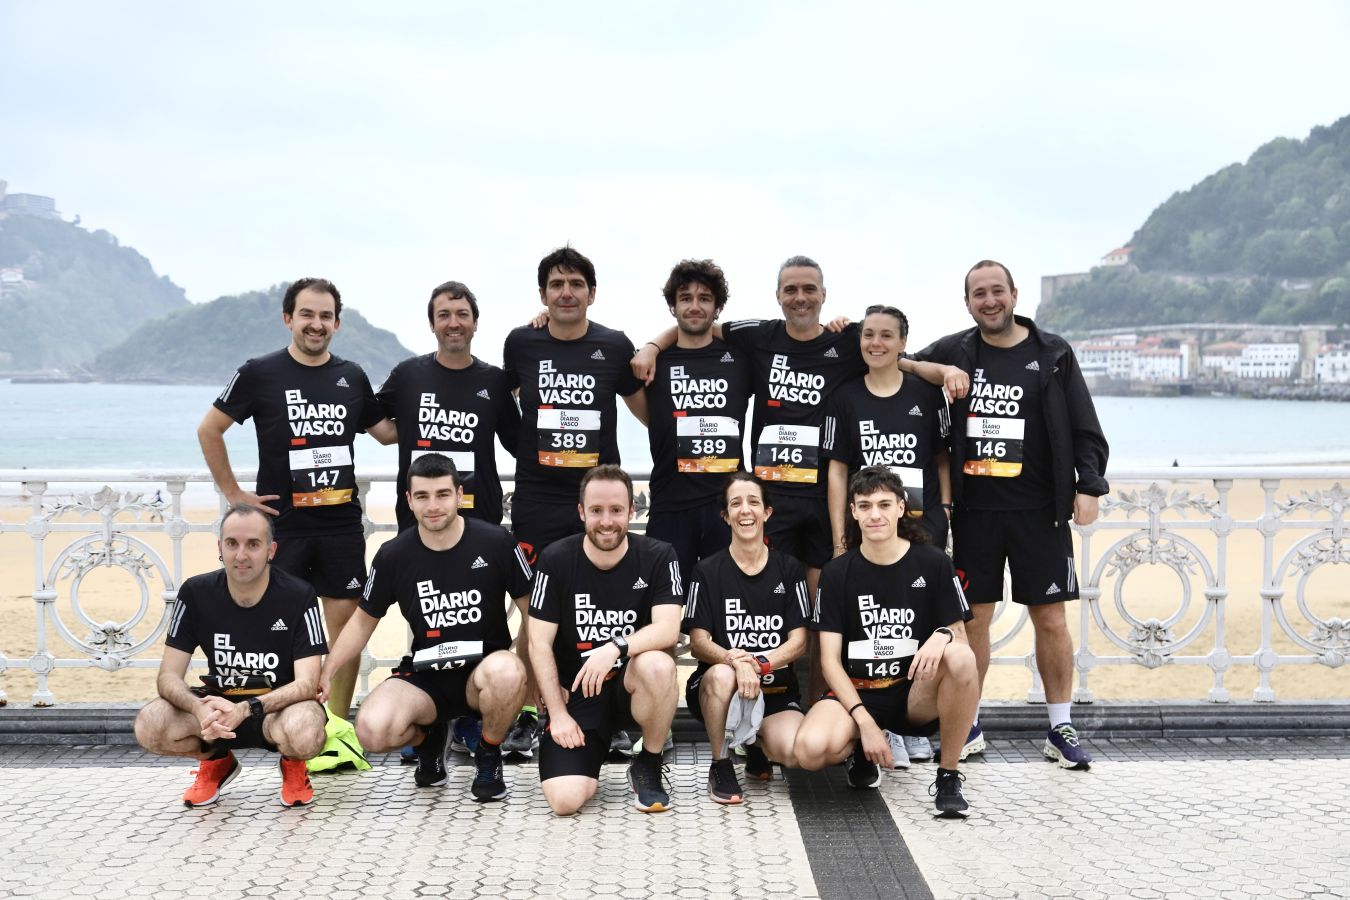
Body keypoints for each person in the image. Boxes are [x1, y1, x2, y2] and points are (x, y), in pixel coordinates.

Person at [910, 259, 1109, 769]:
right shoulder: (956, 350)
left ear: (1015, 295)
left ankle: (1060, 726)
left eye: (997, 291)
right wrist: (941, 372)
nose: (989, 301)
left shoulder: (1052, 353)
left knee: (1051, 620)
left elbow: (1085, 425)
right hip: (974, 513)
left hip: (1039, 511)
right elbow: (898, 361)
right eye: (979, 294)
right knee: (974, 621)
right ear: (967, 303)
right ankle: (968, 724)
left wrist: (1089, 485)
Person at [197, 277, 395, 724]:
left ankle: (335, 727)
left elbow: (386, 433)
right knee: (278, 629)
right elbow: (209, 429)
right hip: (282, 524)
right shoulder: (259, 372)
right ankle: (281, 725)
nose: (316, 324)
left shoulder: (351, 376)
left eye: (325, 316)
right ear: (288, 319)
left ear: (337, 323)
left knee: (343, 632)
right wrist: (234, 495)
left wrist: (439, 397)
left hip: (340, 525)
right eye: (307, 314)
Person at [634, 256, 860, 597]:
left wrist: (941, 372)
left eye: (809, 289)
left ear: (824, 295)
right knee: (683, 602)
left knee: (792, 602)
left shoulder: (834, 344)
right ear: (777, 295)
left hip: (781, 498)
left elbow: (889, 355)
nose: (800, 297)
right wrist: (652, 346)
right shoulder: (752, 340)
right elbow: (693, 329)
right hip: (708, 500)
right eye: (791, 289)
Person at [318, 453, 534, 800]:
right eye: (422, 496)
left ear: (459, 495)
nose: (433, 506)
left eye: (442, 494)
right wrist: (327, 671)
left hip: (484, 674)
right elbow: (360, 623)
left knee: (507, 672)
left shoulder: (496, 542)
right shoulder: (393, 555)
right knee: (372, 730)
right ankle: (429, 739)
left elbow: (534, 615)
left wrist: (546, 677)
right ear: (409, 500)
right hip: (426, 677)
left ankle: (488, 753)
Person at [505, 246, 649, 755]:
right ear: (542, 294)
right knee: (535, 613)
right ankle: (529, 712)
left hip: (599, 501)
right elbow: (505, 407)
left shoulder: (613, 345)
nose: (566, 293)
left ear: (592, 293)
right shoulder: (521, 342)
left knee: (606, 610)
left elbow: (649, 413)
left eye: (576, 284)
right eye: (556, 284)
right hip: (537, 500)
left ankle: (610, 713)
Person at [793, 467, 979, 818]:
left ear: (900, 507)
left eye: (884, 504)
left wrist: (942, 636)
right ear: (853, 511)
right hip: (859, 690)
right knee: (809, 750)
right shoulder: (836, 573)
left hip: (913, 693)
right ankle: (860, 750)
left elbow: (960, 636)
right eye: (864, 506)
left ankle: (948, 776)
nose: (874, 514)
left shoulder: (934, 562)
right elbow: (829, 661)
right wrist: (864, 722)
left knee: (961, 658)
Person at [822, 304, 951, 765]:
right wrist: (839, 536)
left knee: (918, 617)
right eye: (868, 335)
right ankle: (883, 723)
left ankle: (915, 722)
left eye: (886, 335)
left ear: (902, 343)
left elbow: (941, 458)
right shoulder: (845, 397)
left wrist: (946, 509)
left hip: (922, 526)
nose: (876, 343)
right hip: (870, 528)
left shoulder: (925, 394)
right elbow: (837, 472)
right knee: (877, 618)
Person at [133, 504, 328, 808]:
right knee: (150, 724)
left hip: (276, 711)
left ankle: (293, 765)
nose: (241, 555)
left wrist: (247, 708)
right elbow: (168, 676)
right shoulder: (195, 592)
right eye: (232, 543)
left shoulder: (299, 595)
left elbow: (307, 684)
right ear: (220, 548)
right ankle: (216, 761)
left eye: (253, 544)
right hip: (216, 711)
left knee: (305, 730)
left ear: (271, 550)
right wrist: (198, 709)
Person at [526, 465, 683, 815]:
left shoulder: (659, 555)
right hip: (578, 692)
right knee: (564, 801)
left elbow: (668, 629)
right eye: (596, 510)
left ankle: (649, 762)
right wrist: (558, 714)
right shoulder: (555, 558)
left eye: (616, 510)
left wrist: (615, 647)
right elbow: (538, 643)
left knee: (658, 664)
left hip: (631, 686)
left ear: (632, 511)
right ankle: (586, 750)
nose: (607, 521)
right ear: (581, 512)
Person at [683, 473, 809, 804]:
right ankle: (721, 763)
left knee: (795, 753)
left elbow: (799, 642)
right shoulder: (706, 571)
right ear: (725, 516)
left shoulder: (789, 568)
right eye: (735, 503)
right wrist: (735, 662)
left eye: (753, 502)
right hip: (719, 688)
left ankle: (755, 743)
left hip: (775, 689)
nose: (745, 510)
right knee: (723, 675)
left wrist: (757, 663)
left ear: (767, 512)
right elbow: (698, 642)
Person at [375, 280, 520, 531]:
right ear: (432, 324)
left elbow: (521, 446)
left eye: (462, 314)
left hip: (480, 521)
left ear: (475, 323)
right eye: (443, 315)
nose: (454, 323)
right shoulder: (407, 375)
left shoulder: (495, 381)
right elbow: (376, 425)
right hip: (419, 521)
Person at [643, 259, 753, 578]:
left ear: (718, 308)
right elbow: (650, 417)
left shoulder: (741, 359)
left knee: (729, 597)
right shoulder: (653, 362)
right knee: (667, 600)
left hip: (727, 505)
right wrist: (652, 346)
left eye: (704, 298)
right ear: (672, 306)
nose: (694, 306)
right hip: (670, 505)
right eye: (685, 298)